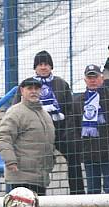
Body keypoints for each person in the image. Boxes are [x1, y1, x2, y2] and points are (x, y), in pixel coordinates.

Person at [31, 50, 85, 195]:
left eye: (46, 64)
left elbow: (70, 109)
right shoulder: (28, 85)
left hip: (61, 131)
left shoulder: (61, 83)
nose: (43, 67)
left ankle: (78, 196)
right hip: (38, 133)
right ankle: (38, 198)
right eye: (40, 64)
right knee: (39, 164)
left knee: (74, 160)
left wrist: (68, 130)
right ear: (35, 67)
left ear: (51, 66)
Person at [0, 77, 56, 196]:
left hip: (40, 178)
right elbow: (3, 138)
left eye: (37, 88)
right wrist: (10, 161)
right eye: (30, 88)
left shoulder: (45, 115)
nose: (33, 91)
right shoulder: (16, 112)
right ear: (22, 91)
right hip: (21, 177)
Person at [73, 64, 109, 194]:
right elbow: (74, 127)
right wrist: (80, 147)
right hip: (89, 152)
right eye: (89, 77)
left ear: (102, 78)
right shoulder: (77, 102)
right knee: (92, 190)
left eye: (95, 77)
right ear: (85, 80)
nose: (92, 80)